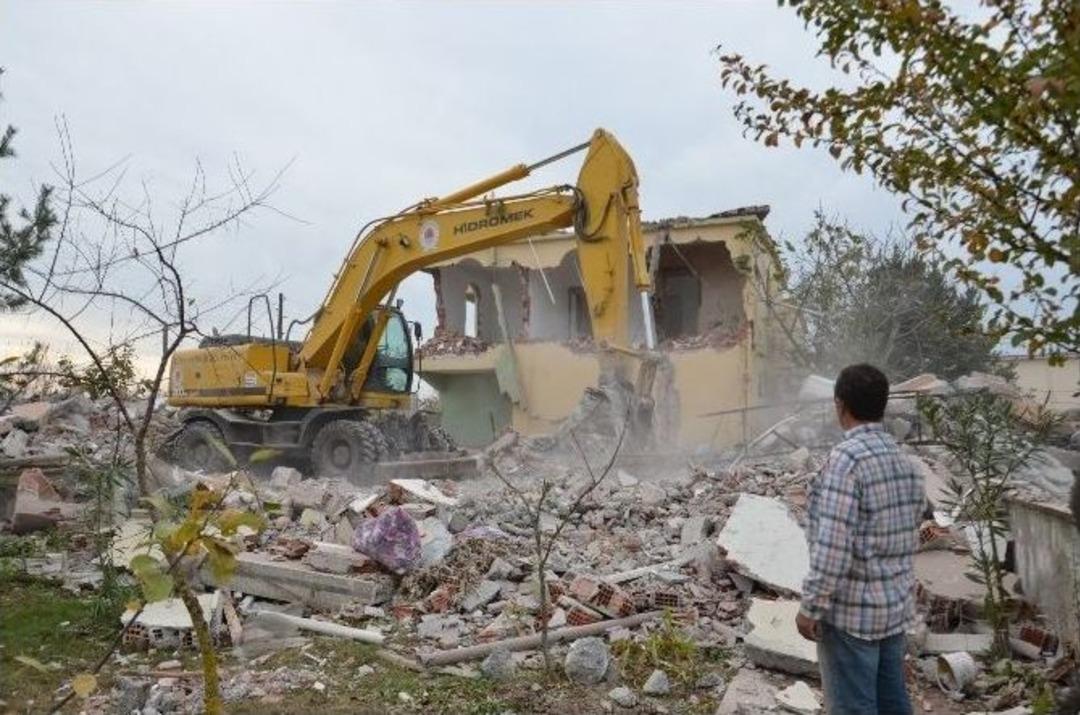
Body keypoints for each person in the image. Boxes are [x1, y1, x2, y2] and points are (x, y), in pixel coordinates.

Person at [796, 364, 924, 714]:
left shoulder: (846, 460)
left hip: (851, 616)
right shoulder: (905, 462)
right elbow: (910, 531)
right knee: (892, 702)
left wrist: (811, 606)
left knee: (854, 707)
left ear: (840, 405)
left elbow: (833, 546)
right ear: (881, 405)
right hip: (893, 610)